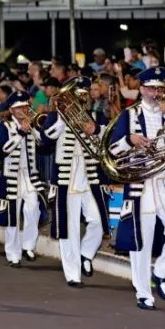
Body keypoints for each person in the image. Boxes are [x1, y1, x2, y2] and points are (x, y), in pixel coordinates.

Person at [108, 66, 165, 310]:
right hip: (141, 185)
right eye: (151, 88)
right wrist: (130, 140)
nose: (156, 93)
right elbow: (111, 151)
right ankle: (143, 293)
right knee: (142, 242)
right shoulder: (129, 115)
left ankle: (160, 273)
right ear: (141, 89)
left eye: (160, 88)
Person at [41, 77, 110, 287]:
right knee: (68, 228)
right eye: (78, 93)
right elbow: (44, 139)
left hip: (89, 179)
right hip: (66, 180)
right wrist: (62, 121)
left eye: (85, 93)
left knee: (98, 221)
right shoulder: (56, 116)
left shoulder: (96, 116)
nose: (82, 97)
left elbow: (109, 137)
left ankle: (85, 254)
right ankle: (72, 274)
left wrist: (96, 130)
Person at [0, 90, 46, 267]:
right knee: (12, 216)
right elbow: (4, 149)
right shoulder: (4, 127)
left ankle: (28, 246)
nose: (25, 110)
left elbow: (41, 143)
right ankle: (13, 253)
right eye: (20, 107)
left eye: (26, 106)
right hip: (11, 176)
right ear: (12, 110)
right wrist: (21, 132)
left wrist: (34, 129)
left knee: (33, 209)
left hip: (29, 176)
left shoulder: (31, 124)